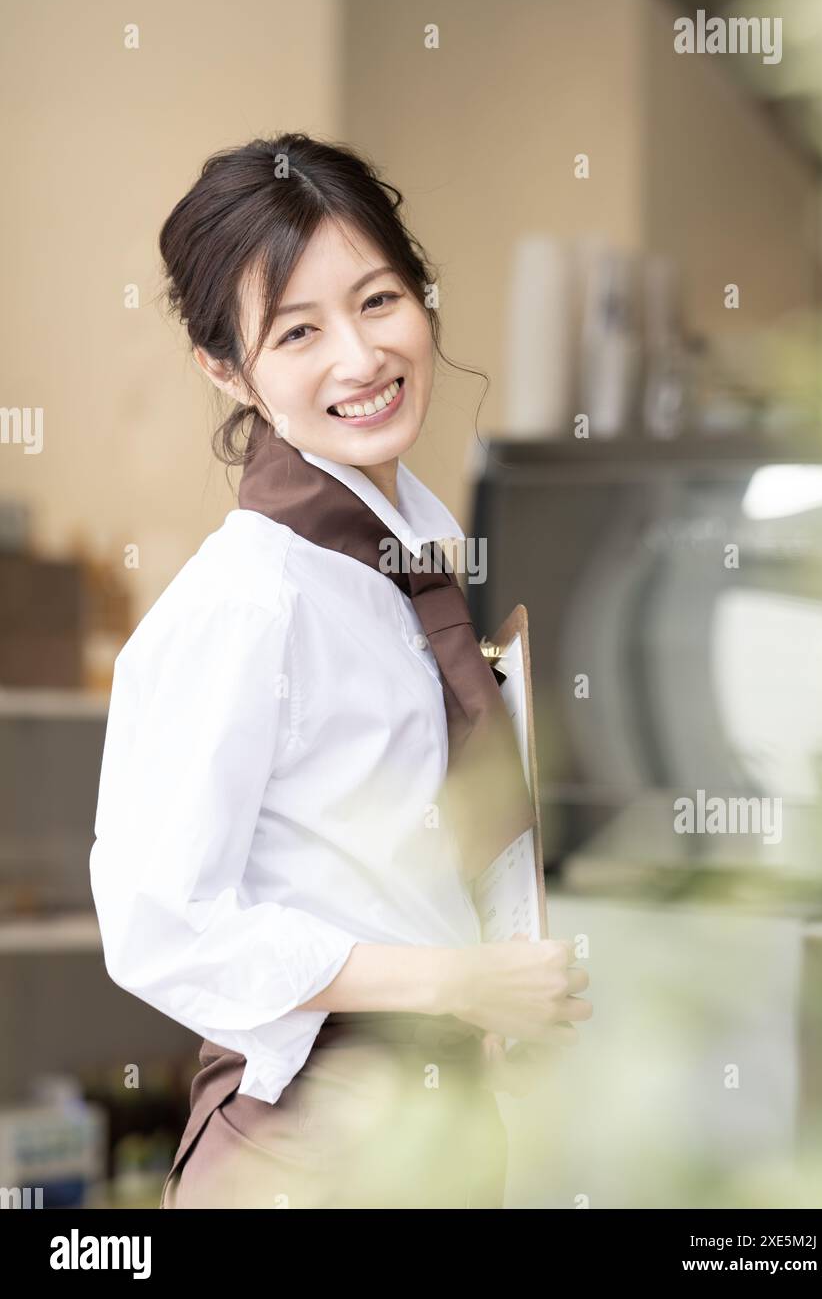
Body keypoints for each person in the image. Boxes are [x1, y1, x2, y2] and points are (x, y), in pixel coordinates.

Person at [89, 132, 591, 1209]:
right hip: (308, 1149)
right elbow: (160, 924)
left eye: (378, 301)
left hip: (436, 1133)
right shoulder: (247, 601)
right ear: (227, 370)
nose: (360, 359)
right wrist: (456, 981)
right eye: (298, 331)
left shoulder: (406, 566)